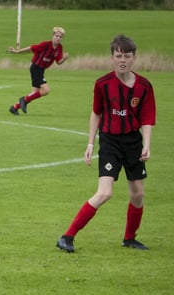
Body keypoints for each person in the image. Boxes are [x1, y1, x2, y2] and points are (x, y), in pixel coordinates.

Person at [56, 34, 155, 253]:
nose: (122, 60)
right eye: (118, 55)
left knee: (138, 194)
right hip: (110, 142)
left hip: (133, 142)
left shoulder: (144, 86)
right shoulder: (102, 84)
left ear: (133, 58)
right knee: (105, 193)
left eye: (127, 56)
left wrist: (146, 144)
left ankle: (129, 238)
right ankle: (67, 237)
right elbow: (96, 113)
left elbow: (148, 118)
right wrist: (91, 143)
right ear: (111, 58)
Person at [7, 27, 69, 115]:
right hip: (36, 68)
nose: (58, 38)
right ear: (53, 36)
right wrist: (17, 51)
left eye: (60, 37)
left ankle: (14, 107)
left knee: (34, 93)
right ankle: (23, 99)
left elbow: (58, 62)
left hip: (41, 70)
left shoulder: (59, 48)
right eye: (56, 36)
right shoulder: (45, 44)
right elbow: (31, 48)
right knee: (46, 90)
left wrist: (64, 58)